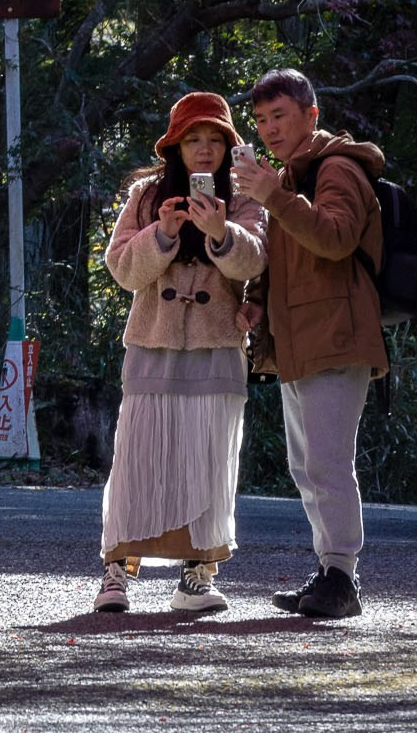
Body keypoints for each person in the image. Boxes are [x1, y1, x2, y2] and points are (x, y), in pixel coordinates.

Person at [95, 90, 267, 615]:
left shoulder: (244, 196)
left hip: (216, 344)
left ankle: (197, 575)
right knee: (137, 458)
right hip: (154, 340)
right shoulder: (148, 195)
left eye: (215, 139)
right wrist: (162, 232)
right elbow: (121, 268)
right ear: (175, 146)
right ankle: (116, 572)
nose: (205, 149)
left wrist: (220, 232)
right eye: (194, 138)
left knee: (208, 457)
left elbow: (255, 261)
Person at [232, 67, 388, 621]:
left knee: (327, 463)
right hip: (300, 341)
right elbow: (284, 258)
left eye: (280, 116)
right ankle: (329, 572)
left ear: (311, 115)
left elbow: (336, 237)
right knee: (306, 466)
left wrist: (273, 193)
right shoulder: (289, 176)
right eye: (261, 120)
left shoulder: (337, 167)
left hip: (337, 339)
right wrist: (256, 301)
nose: (270, 129)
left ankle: (342, 576)